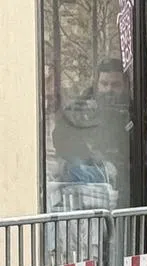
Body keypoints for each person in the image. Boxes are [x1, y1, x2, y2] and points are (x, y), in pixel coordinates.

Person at [51, 58, 134, 208]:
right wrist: (89, 156)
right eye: (104, 84)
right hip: (92, 182)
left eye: (115, 85)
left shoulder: (135, 110)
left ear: (125, 86)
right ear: (96, 84)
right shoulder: (81, 108)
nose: (109, 89)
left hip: (128, 181)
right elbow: (61, 136)